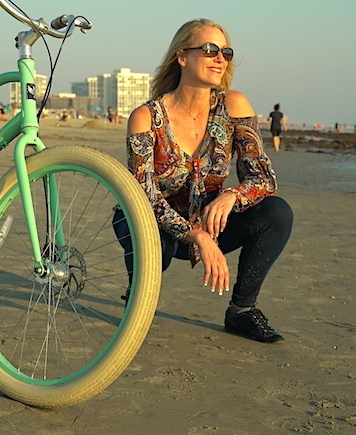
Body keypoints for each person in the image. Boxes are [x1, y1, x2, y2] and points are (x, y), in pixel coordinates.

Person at [114, 18, 293, 343]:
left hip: (211, 221)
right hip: (152, 221)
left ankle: (241, 311)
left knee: (277, 213)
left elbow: (263, 177)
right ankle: (139, 295)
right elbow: (146, 197)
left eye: (225, 51)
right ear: (182, 56)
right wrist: (197, 236)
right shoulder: (146, 117)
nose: (220, 58)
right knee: (150, 239)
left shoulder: (233, 106)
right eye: (210, 49)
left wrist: (231, 197)